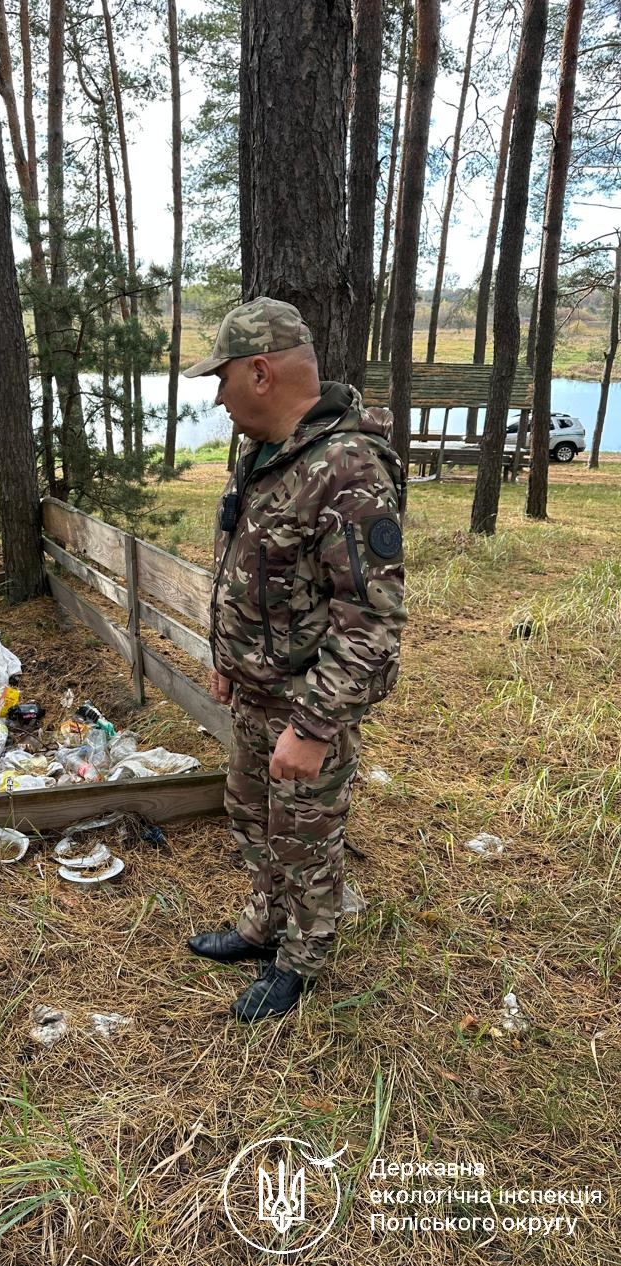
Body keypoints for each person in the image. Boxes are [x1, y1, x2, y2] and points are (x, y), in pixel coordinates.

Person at [182, 297, 407, 1022]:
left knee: (306, 838)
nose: (217, 396)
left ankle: (302, 961)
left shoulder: (347, 469)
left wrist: (312, 731)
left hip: (307, 704)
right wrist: (226, 655)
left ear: (259, 372)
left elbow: (371, 620)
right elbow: (240, 563)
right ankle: (262, 925)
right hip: (253, 691)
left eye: (221, 380)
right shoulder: (260, 455)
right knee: (251, 817)